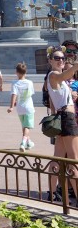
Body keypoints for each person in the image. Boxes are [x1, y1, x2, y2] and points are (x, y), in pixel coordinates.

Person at [45, 46, 78, 200]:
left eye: (62, 58)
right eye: (57, 58)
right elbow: (65, 76)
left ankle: (52, 194)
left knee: (58, 158)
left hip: (61, 118)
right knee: (73, 159)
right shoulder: (53, 75)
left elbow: (54, 101)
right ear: (50, 60)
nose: (61, 60)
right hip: (67, 119)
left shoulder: (54, 78)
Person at [7, 62, 35, 152]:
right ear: (25, 72)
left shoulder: (15, 83)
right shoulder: (29, 83)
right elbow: (31, 94)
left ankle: (28, 142)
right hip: (28, 107)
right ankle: (23, 143)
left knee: (24, 126)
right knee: (27, 126)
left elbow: (14, 94)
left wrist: (11, 106)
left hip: (20, 107)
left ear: (17, 72)